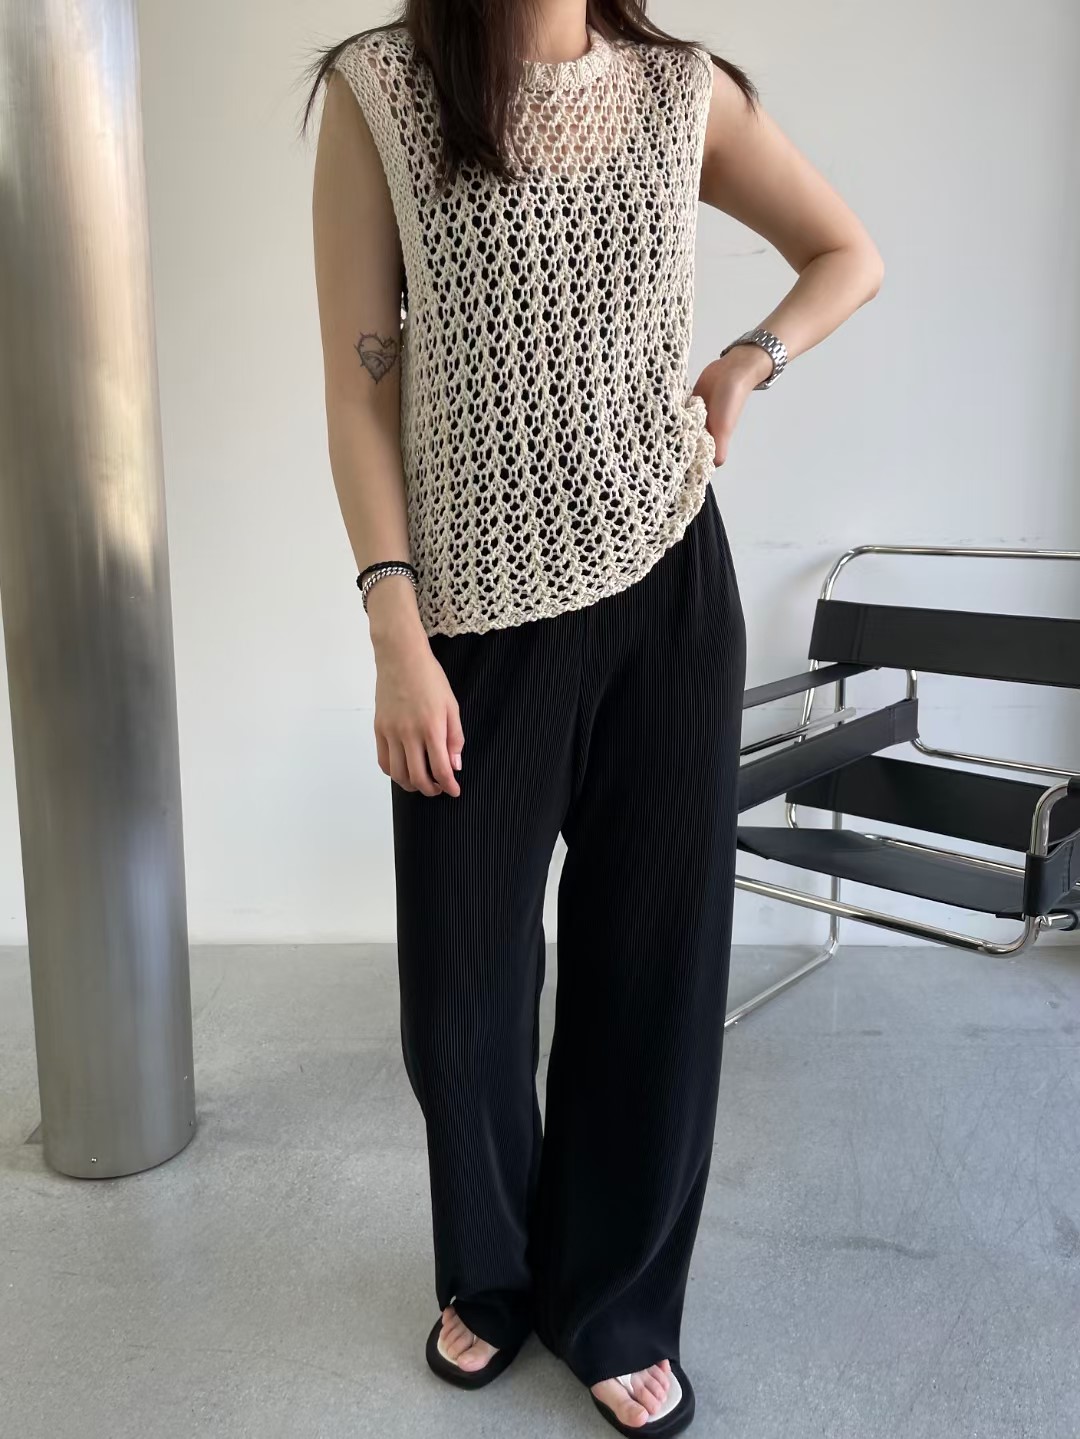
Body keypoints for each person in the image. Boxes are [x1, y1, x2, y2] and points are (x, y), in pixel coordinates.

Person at [305, 5, 882, 1433]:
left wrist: (747, 359)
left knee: (653, 973)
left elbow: (846, 254)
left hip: (668, 594)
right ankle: (492, 1269)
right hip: (468, 621)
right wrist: (392, 628)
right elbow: (358, 388)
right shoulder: (382, 91)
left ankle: (614, 1302)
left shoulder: (685, 91)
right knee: (461, 1001)